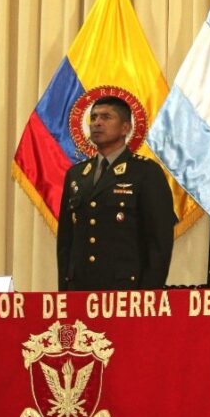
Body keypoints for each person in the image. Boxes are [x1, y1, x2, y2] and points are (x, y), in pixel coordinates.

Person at [57, 96, 176, 291]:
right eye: (93, 117)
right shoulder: (77, 174)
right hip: (80, 289)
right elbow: (65, 242)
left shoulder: (145, 172)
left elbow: (159, 241)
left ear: (125, 128)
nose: (96, 123)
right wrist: (64, 290)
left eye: (106, 117)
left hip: (126, 290)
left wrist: (148, 294)